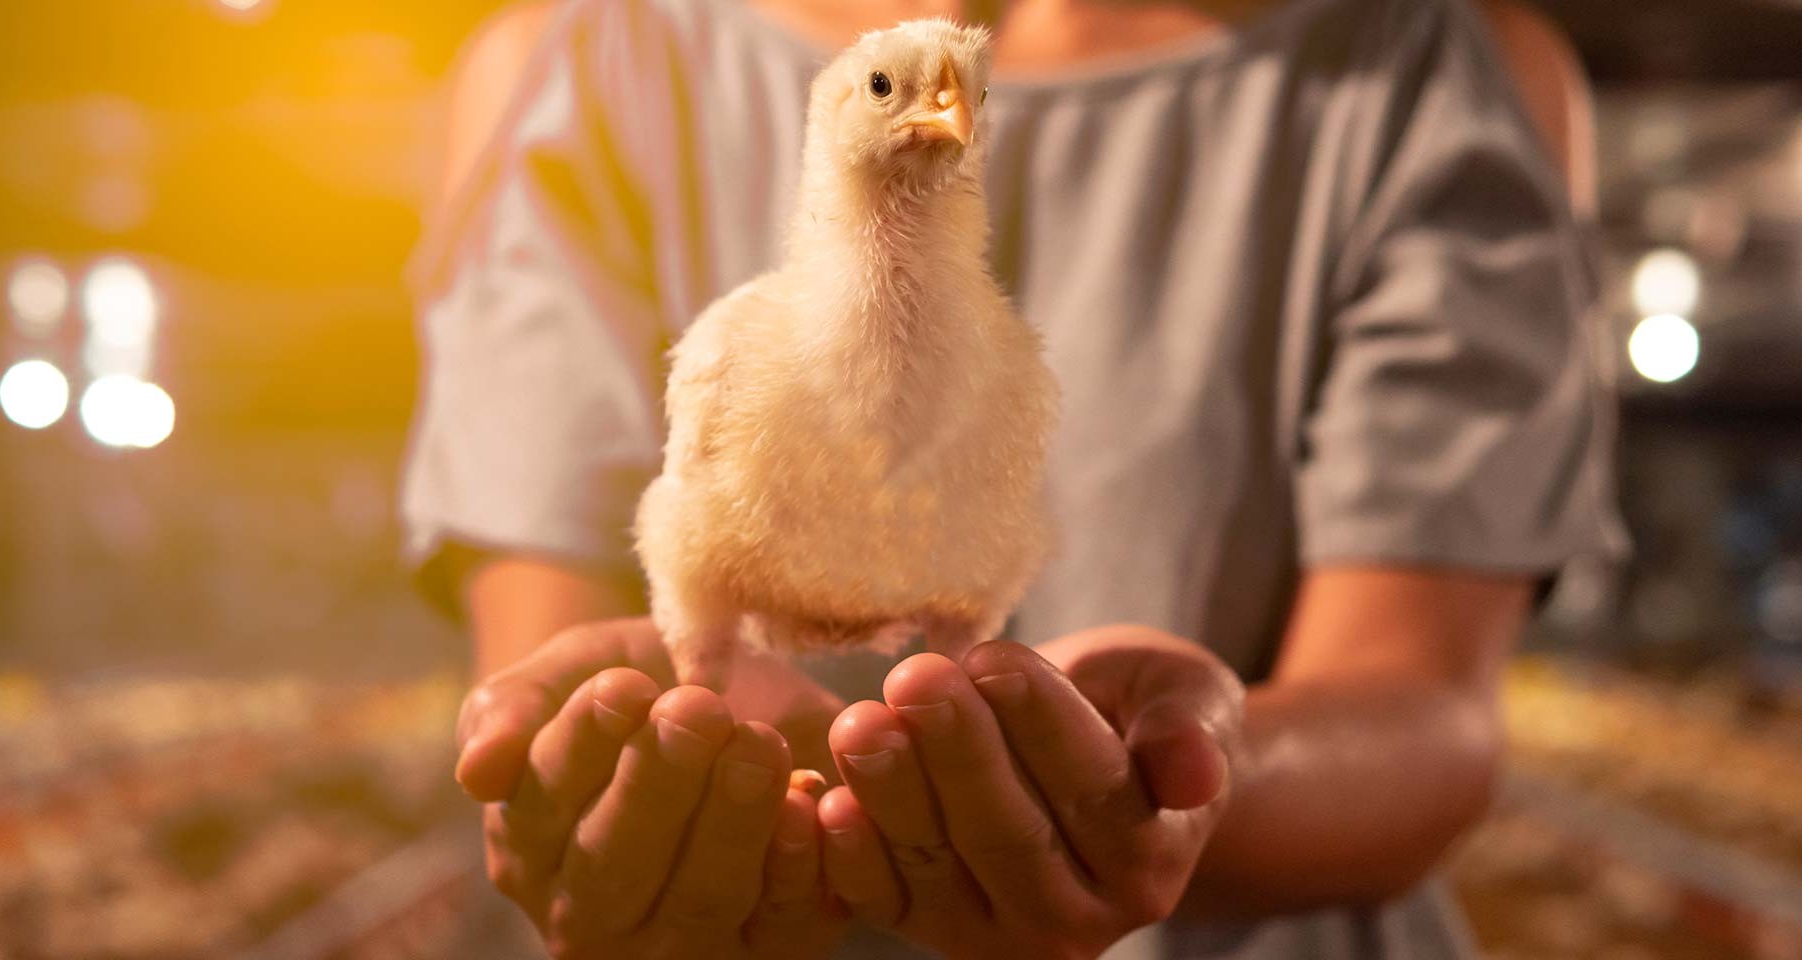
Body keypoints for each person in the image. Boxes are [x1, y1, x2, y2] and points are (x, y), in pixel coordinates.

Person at [402, 0, 1625, 956]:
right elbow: (546, 686)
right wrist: (605, 787)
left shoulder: (1427, 77)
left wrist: (1189, 782)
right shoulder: (581, 71)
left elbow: (1428, 707)